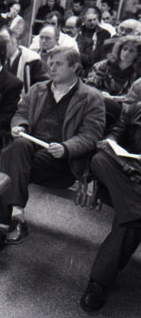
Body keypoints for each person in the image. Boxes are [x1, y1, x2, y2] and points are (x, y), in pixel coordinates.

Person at [0, 48, 105, 254]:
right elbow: (21, 114)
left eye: (58, 64)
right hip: (30, 149)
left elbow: (91, 135)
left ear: (75, 67)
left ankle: (3, 225)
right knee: (19, 146)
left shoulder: (91, 97)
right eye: (50, 63)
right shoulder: (37, 89)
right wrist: (20, 126)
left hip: (62, 160)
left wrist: (66, 147)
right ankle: (16, 215)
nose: (51, 67)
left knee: (8, 163)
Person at [80, 102, 141, 312]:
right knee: (99, 159)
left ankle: (99, 281)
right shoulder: (135, 109)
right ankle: (135, 209)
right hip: (126, 175)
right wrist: (111, 141)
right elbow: (116, 132)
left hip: (128, 189)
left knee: (130, 220)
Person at [0, 27, 47, 94]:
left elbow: (43, 86)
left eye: (4, 42)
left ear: (14, 41)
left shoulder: (32, 60)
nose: (1, 46)